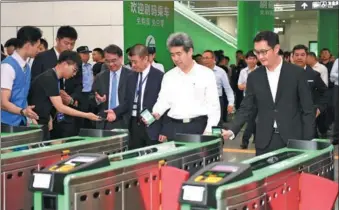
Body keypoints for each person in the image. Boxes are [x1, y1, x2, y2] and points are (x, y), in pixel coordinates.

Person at [222, 31, 315, 156]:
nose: (260, 57)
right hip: (264, 140)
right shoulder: (254, 77)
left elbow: (307, 110)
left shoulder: (297, 73)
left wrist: (308, 141)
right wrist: (232, 129)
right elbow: (246, 107)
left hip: (293, 139)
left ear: (276, 48)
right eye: (257, 52)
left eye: (264, 52)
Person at [152, 32, 220, 139]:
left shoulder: (206, 74)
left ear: (190, 51)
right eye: (172, 55)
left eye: (179, 54)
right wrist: (156, 113)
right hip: (173, 128)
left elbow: (214, 106)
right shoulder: (169, 76)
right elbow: (163, 101)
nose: (175, 58)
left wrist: (209, 130)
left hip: (198, 127)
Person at [28, 51, 100, 140]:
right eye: (74, 70)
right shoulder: (49, 78)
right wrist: (86, 115)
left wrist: (48, 117)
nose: (74, 74)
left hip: (43, 120)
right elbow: (60, 107)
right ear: (65, 64)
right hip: (35, 122)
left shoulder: (53, 77)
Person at [107, 44, 165, 149]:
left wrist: (164, 130)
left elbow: (165, 104)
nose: (132, 65)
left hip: (152, 124)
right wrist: (115, 111)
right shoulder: (131, 77)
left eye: (135, 62)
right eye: (131, 62)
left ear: (146, 59)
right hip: (134, 124)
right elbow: (128, 102)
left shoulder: (160, 77)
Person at [31, 26, 83, 138]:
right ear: (57, 40)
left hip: (68, 113)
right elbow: (34, 85)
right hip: (46, 114)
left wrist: (71, 99)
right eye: (66, 43)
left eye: (72, 44)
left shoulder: (75, 60)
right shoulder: (42, 58)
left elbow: (79, 85)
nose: (69, 47)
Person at [1, 26, 42, 126]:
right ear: (28, 45)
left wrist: (29, 116)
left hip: (20, 122)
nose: (38, 50)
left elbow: (22, 97)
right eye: (37, 47)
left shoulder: (26, 67)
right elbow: (2, 102)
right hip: (5, 124)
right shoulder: (7, 66)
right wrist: (23, 111)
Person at [292, 44, 328, 138]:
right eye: (297, 55)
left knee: (309, 144)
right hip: (289, 118)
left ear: (306, 56)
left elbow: (325, 93)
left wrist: (319, 108)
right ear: (292, 56)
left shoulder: (314, 75)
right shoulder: (285, 74)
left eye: (302, 55)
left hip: (308, 117)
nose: (299, 57)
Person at [92, 44, 131, 130]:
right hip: (105, 122)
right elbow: (91, 97)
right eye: (107, 61)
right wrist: (97, 99)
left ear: (121, 58)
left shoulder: (131, 75)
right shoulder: (100, 77)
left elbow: (131, 100)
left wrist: (116, 112)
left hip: (124, 121)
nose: (111, 64)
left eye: (114, 60)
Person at [237, 51, 258, 149]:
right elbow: (239, 86)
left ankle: (247, 140)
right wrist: (249, 86)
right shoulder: (243, 71)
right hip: (248, 98)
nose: (251, 60)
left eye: (253, 58)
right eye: (249, 58)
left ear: (256, 59)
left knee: (254, 120)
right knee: (251, 120)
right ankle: (246, 140)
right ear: (246, 60)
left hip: (259, 98)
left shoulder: (261, 70)